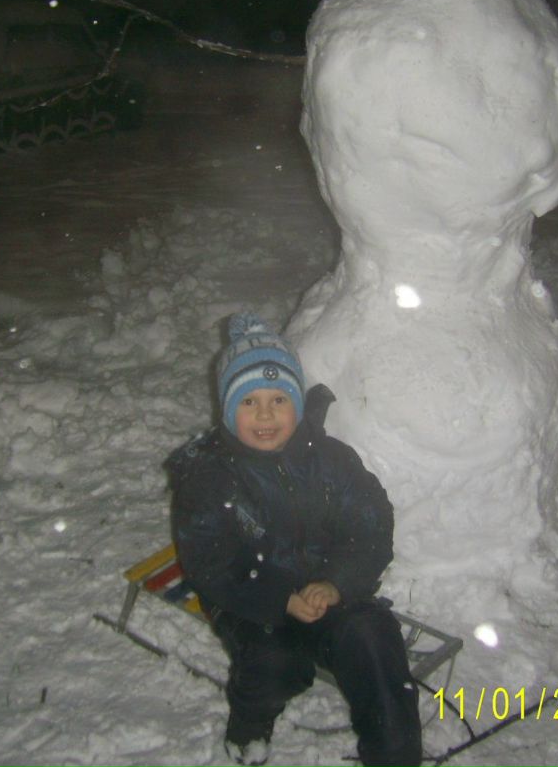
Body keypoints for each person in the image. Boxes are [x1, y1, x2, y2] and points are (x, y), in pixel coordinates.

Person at [167, 313, 422, 767]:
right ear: (227, 409)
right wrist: (280, 598)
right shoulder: (211, 477)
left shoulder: (332, 461)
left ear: (298, 405)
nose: (265, 415)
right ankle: (249, 732)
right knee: (274, 662)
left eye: (278, 399)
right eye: (249, 403)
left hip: (328, 592)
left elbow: (371, 525)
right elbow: (210, 562)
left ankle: (395, 756)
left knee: (373, 637)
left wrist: (337, 582)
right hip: (252, 599)